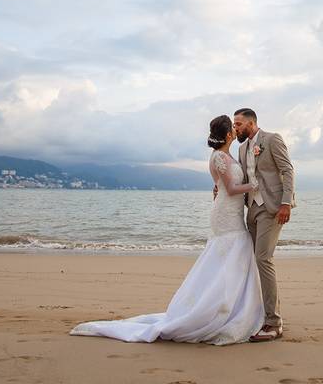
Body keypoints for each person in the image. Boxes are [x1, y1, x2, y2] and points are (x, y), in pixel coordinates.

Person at [69, 115, 264, 344]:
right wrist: (255, 185)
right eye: (232, 127)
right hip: (225, 215)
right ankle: (220, 310)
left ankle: (233, 308)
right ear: (228, 134)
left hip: (230, 213)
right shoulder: (219, 156)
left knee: (234, 257)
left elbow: (220, 186)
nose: (235, 128)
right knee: (228, 255)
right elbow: (230, 189)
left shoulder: (228, 155)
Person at [217, 108, 296, 342]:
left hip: (272, 208)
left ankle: (274, 322)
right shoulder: (241, 149)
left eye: (239, 124)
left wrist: (286, 203)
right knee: (252, 261)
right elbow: (243, 180)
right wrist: (219, 188)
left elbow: (287, 170)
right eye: (234, 124)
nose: (236, 128)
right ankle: (254, 315)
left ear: (252, 123)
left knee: (263, 258)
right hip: (251, 210)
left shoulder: (272, 139)